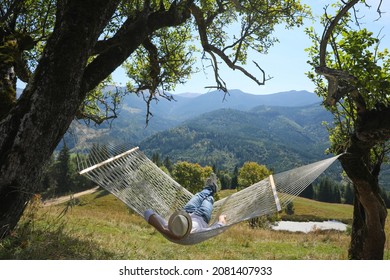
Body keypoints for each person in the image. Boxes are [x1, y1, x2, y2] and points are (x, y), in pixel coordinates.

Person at [144, 173, 227, 239]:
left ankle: (209, 187)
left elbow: (148, 212)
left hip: (186, 212)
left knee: (198, 195)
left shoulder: (172, 228)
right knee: (209, 199)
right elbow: (218, 228)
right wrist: (221, 218)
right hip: (202, 215)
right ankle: (211, 189)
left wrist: (164, 230)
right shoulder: (197, 233)